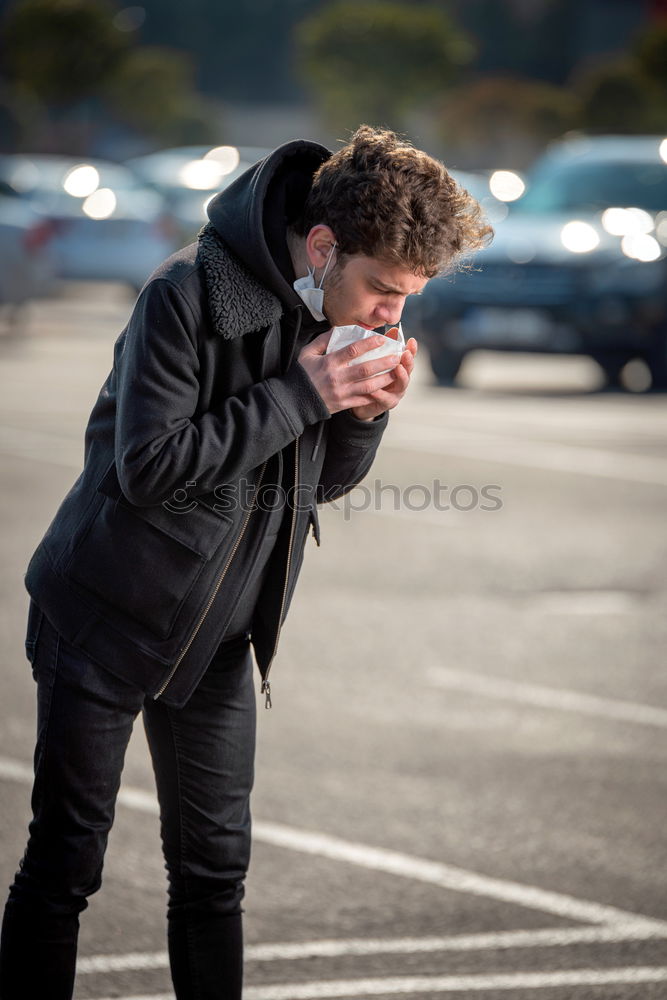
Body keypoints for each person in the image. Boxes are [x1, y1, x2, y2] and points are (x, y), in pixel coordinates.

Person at [0, 125, 490, 999]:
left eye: (408, 297)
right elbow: (146, 469)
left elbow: (314, 486)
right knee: (66, 866)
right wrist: (306, 391)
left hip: (219, 637)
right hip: (103, 615)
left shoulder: (334, 314)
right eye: (381, 289)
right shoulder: (186, 291)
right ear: (322, 245)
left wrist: (361, 415)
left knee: (214, 878)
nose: (391, 314)